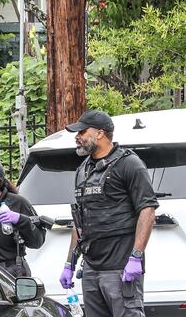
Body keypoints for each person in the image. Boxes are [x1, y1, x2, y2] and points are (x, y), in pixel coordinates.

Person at [59, 110, 158, 317]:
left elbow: (147, 211)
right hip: (91, 268)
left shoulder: (129, 164)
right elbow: (80, 221)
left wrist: (136, 257)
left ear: (100, 134)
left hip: (120, 268)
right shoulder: (83, 170)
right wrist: (70, 262)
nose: (77, 137)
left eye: (82, 132)